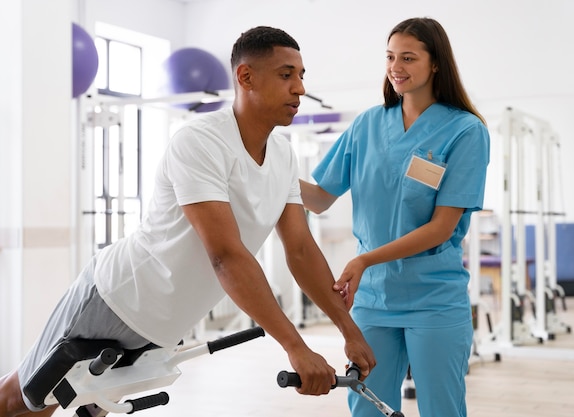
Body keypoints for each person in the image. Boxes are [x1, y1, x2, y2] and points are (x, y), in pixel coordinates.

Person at [0, 26, 376, 417]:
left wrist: (349, 332)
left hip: (163, 328)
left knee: (83, 408)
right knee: (22, 400)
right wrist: (296, 347)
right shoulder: (202, 141)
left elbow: (300, 250)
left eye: (301, 75)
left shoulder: (282, 155)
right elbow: (226, 256)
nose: (299, 88)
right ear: (245, 77)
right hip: (118, 298)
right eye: (286, 75)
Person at [299, 17, 490, 417]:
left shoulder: (465, 131)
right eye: (389, 57)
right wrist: (264, 166)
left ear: (435, 63)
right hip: (373, 298)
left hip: (433, 296)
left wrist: (365, 259)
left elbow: (441, 228)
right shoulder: (368, 124)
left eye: (408, 57)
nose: (395, 67)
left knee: (442, 409)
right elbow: (318, 199)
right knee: (367, 409)